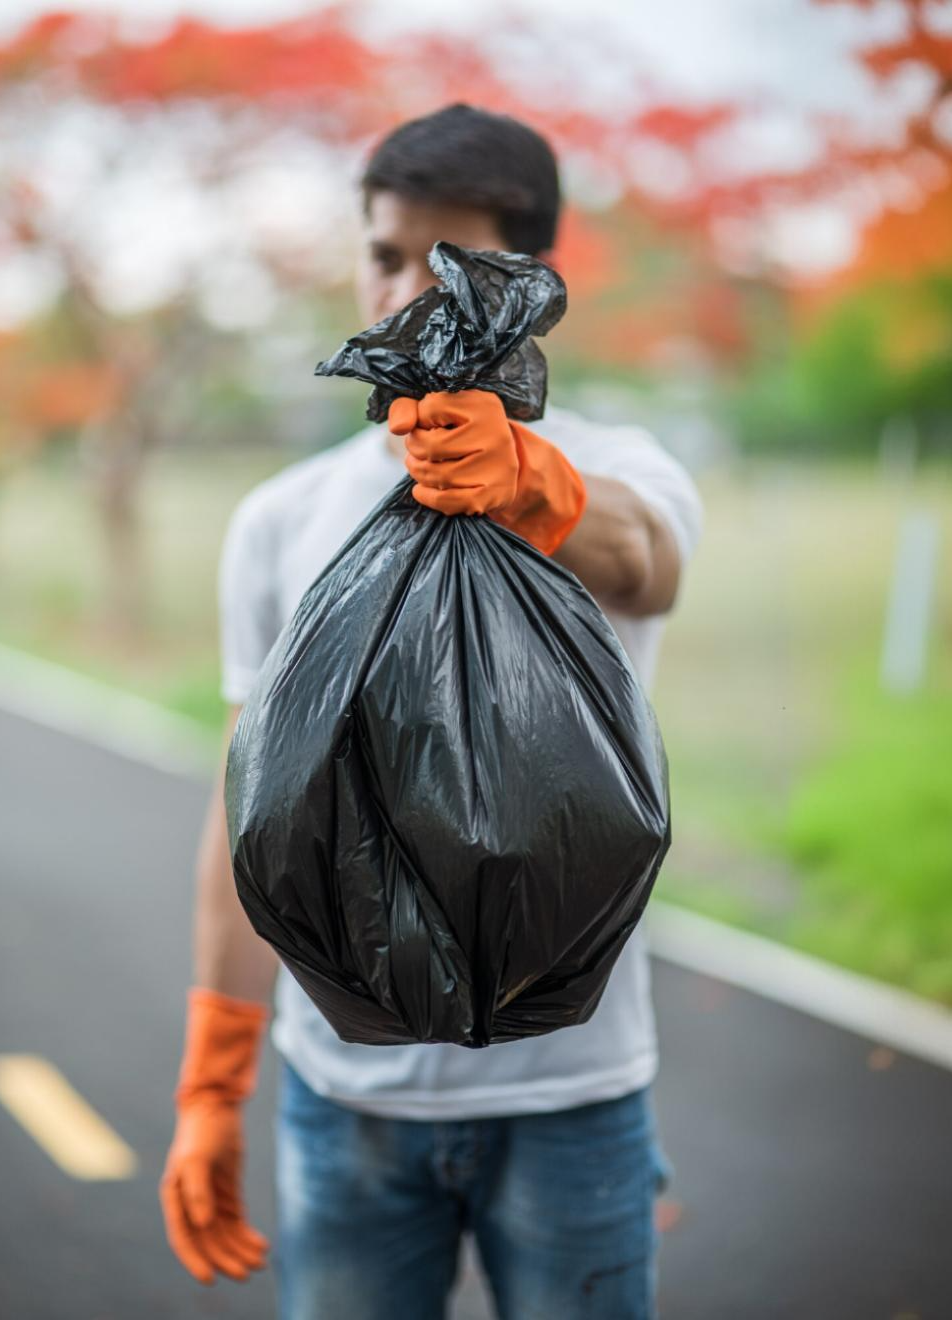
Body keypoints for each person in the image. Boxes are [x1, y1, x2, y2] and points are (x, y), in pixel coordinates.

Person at [159, 102, 704, 1320]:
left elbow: (646, 559)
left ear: (531, 275)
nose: (407, 291)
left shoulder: (624, 467)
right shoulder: (283, 520)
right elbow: (251, 812)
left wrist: (534, 482)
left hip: (574, 1101)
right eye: (385, 253)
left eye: (449, 262)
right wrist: (213, 1079)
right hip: (342, 1098)